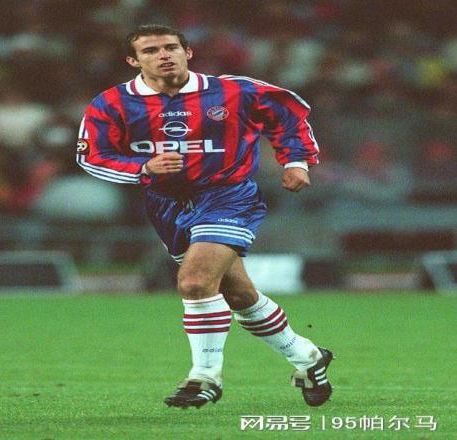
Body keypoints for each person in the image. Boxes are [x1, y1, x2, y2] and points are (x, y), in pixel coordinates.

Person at [77, 24, 333, 409]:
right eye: (150, 51)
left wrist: (296, 160)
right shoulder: (112, 103)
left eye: (170, 47)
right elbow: (92, 156)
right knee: (238, 294)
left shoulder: (232, 90)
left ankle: (205, 376)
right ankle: (308, 357)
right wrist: (143, 167)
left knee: (195, 281)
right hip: (166, 204)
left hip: (228, 195)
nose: (163, 55)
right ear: (133, 60)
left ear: (188, 52)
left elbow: (287, 114)